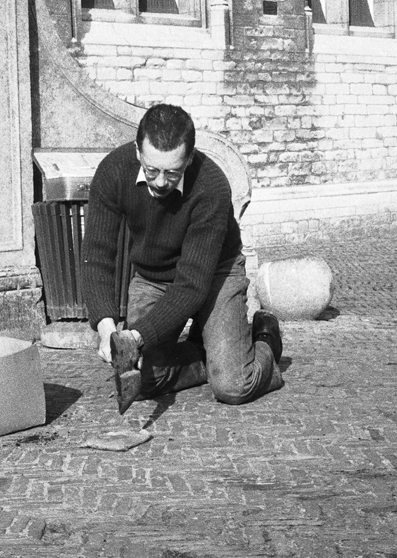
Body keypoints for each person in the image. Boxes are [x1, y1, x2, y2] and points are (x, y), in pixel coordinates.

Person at [81, 104, 284, 414]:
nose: (160, 182)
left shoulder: (211, 187)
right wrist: (107, 329)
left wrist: (137, 336)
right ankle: (213, 351)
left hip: (215, 271)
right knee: (144, 379)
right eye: (152, 170)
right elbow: (96, 255)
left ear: (189, 159)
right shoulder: (113, 171)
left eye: (172, 172)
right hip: (153, 275)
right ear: (138, 151)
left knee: (233, 386)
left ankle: (264, 340)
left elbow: (192, 285)